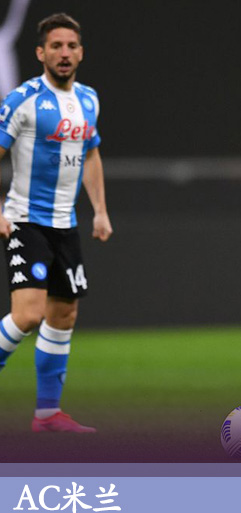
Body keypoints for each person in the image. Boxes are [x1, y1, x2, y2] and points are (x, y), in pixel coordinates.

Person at [0, 13, 112, 432]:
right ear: (40, 53)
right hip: (25, 220)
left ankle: (47, 415)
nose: (64, 53)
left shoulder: (88, 99)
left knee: (63, 315)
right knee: (28, 314)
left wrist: (100, 210)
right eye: (56, 46)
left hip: (65, 225)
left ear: (81, 53)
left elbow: (91, 153)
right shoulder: (23, 99)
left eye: (71, 46)